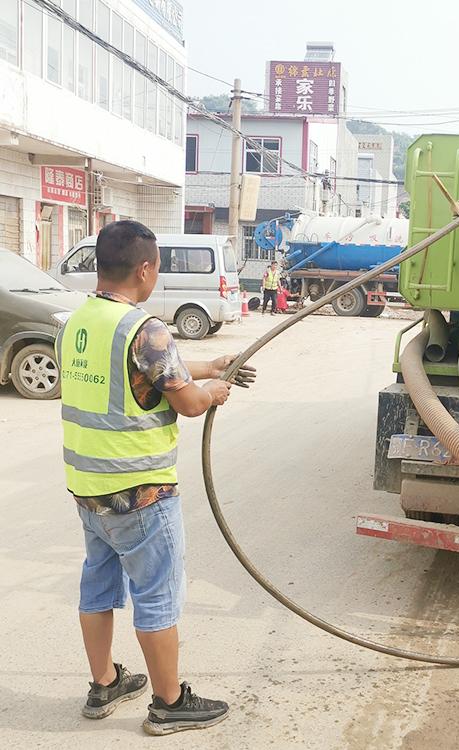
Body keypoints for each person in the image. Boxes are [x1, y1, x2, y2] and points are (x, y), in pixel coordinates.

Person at [57, 220, 256, 736]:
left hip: (89, 490)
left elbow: (148, 370)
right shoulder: (144, 328)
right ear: (144, 269)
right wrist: (212, 391)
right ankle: (169, 703)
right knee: (157, 596)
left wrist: (210, 364)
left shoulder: (76, 323)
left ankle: (104, 683)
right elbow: (186, 401)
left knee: (98, 586)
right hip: (140, 491)